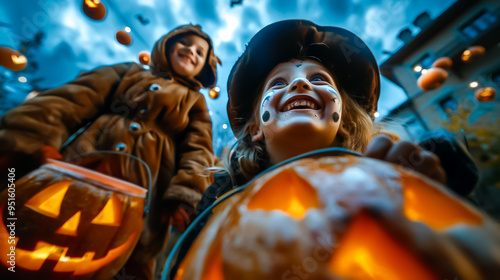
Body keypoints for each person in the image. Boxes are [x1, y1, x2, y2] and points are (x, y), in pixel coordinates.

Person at [0, 24, 218, 280]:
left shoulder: (194, 102)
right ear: (167, 46)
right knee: (36, 229)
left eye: (200, 51)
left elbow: (198, 149)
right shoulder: (129, 72)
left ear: (204, 65)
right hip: (82, 168)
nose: (191, 51)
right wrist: (34, 140)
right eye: (184, 43)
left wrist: (186, 194)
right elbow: (73, 100)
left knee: (130, 258)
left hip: (148, 195)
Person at [197, 19, 477, 215]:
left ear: (345, 119)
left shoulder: (389, 174)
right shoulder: (224, 198)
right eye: (279, 84)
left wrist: (429, 195)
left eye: (318, 78)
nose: (300, 85)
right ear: (256, 127)